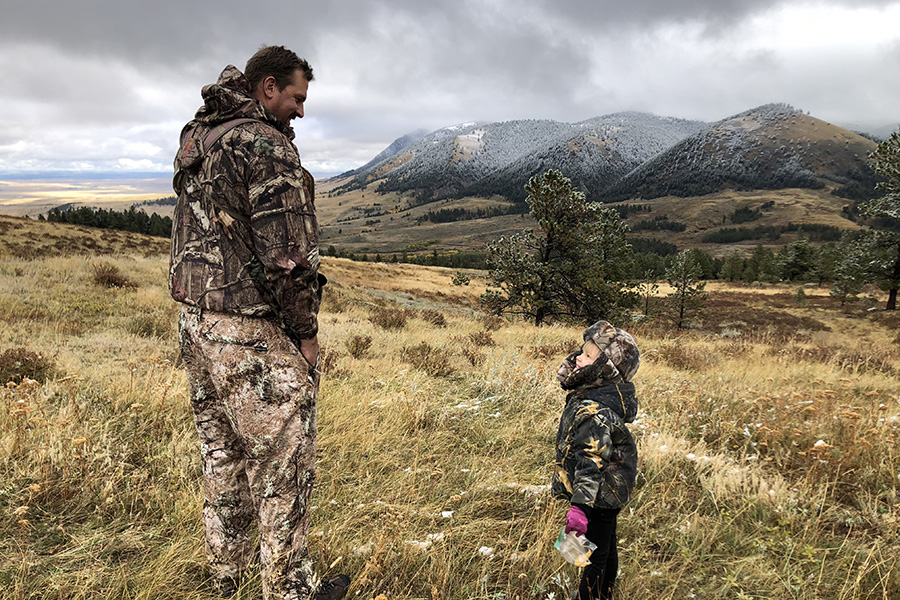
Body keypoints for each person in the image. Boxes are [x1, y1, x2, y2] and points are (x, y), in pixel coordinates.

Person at [169, 45, 348, 600]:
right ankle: (289, 590)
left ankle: (229, 580)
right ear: (268, 87)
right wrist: (307, 336)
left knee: (222, 456)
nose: (300, 111)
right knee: (282, 468)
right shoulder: (264, 146)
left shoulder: (202, 136)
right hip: (247, 331)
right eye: (296, 97)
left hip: (195, 322)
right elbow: (288, 257)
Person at [552, 320, 640, 600]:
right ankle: (605, 592)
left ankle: (589, 596)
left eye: (588, 356)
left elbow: (590, 463)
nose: (579, 358)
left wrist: (579, 508)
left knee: (596, 553)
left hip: (601, 492)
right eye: (582, 351)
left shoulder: (594, 411)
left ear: (605, 370)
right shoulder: (592, 396)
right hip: (610, 488)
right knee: (606, 542)